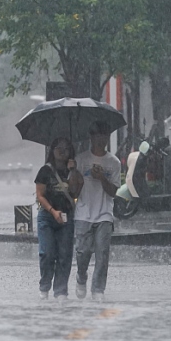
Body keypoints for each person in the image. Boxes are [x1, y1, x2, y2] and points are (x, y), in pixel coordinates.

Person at [69, 122, 121, 300]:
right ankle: (81, 277)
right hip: (84, 213)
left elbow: (114, 192)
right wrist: (74, 173)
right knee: (82, 252)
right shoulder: (81, 159)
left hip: (104, 214)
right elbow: (73, 190)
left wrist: (101, 178)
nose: (101, 140)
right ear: (91, 138)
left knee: (102, 254)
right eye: (97, 136)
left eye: (104, 136)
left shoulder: (113, 162)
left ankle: (98, 289)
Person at [34, 137, 77, 299]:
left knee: (65, 254)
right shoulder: (45, 171)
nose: (61, 152)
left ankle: (61, 290)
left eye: (65, 149)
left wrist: (73, 171)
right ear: (52, 151)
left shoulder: (72, 170)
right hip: (47, 217)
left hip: (67, 217)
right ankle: (44, 286)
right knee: (47, 253)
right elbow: (40, 195)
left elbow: (75, 191)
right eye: (58, 148)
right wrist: (53, 211)